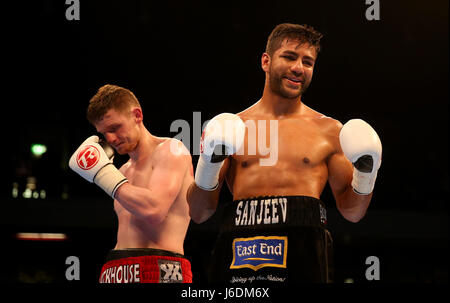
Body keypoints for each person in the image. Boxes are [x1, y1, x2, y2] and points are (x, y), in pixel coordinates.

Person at [187, 23, 382, 283]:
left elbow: (352, 212)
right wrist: (208, 164)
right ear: (266, 61)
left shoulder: (330, 131)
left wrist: (366, 173)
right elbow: (199, 213)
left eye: (308, 62)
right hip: (241, 245)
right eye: (289, 57)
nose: (299, 68)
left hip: (306, 245)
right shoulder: (233, 127)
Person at [69, 84, 194, 283]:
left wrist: (102, 174)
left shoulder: (172, 150)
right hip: (115, 270)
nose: (110, 138)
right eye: (103, 133)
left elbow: (154, 210)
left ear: (137, 115)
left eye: (114, 128)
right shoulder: (121, 171)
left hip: (160, 269)